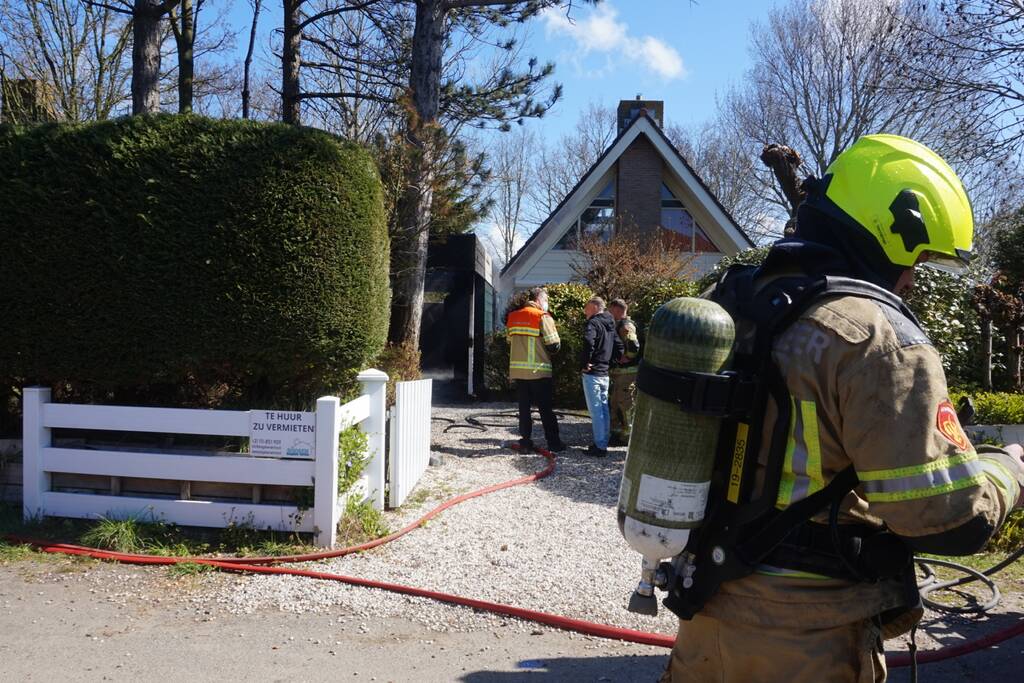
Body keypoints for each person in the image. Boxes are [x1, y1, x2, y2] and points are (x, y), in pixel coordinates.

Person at [659, 134, 1024, 682]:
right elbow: (947, 521)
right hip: (810, 638)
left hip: (707, 617)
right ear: (884, 234)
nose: (910, 280)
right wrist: (1008, 467)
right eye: (916, 259)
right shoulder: (877, 336)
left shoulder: (730, 301)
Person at [506, 287, 566, 453]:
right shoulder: (541, 316)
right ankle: (554, 443)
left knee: (524, 410)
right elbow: (554, 345)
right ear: (539, 299)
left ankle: (525, 442)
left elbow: (509, 340)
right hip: (539, 370)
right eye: (546, 299)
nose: (547, 303)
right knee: (545, 409)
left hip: (519, 372)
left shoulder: (513, 316)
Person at [581, 296, 623, 457]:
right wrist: (611, 362)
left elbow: (588, 341)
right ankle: (602, 442)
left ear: (594, 307)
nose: (585, 310)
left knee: (596, 411)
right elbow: (619, 346)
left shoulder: (593, 323)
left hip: (592, 373)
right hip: (604, 373)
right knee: (604, 410)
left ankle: (599, 447)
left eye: (586, 307)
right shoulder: (611, 324)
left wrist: (585, 363)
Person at [608, 298, 640, 447]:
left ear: (616, 309)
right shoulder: (619, 325)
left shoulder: (626, 325)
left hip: (627, 374)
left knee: (625, 405)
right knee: (615, 404)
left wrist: (627, 357)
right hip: (620, 374)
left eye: (610, 310)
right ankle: (617, 434)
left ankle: (628, 437)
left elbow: (633, 344)